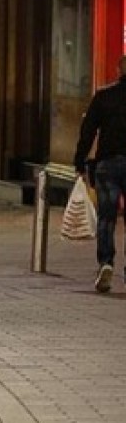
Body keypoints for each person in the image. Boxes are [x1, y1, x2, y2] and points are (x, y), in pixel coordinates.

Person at [74, 54, 126, 294]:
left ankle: (106, 263)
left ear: (119, 71)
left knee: (107, 217)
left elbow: (88, 131)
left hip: (108, 164)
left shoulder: (104, 96)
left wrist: (79, 161)